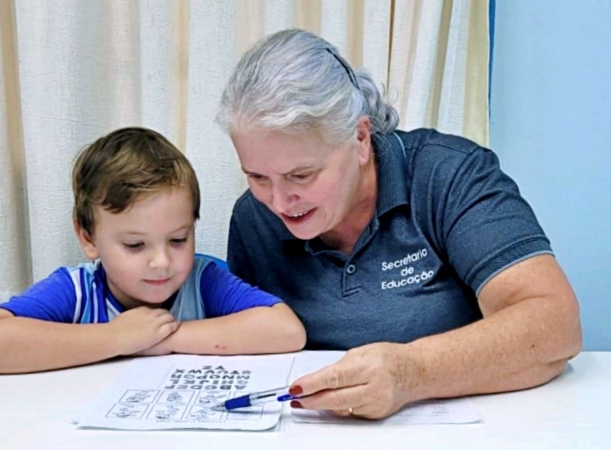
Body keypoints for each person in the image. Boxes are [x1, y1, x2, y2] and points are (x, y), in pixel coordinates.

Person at [216, 29, 581, 419]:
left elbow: (554, 322)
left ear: (359, 138)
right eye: (257, 177)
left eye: (302, 175)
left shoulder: (450, 175)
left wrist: (412, 373)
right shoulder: (253, 218)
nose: (278, 201)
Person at [0, 127, 306, 374]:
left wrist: (163, 338)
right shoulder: (77, 290)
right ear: (88, 238)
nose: (162, 262)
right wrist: (117, 337)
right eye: (135, 245)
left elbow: (286, 331)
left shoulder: (202, 280)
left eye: (178, 239)